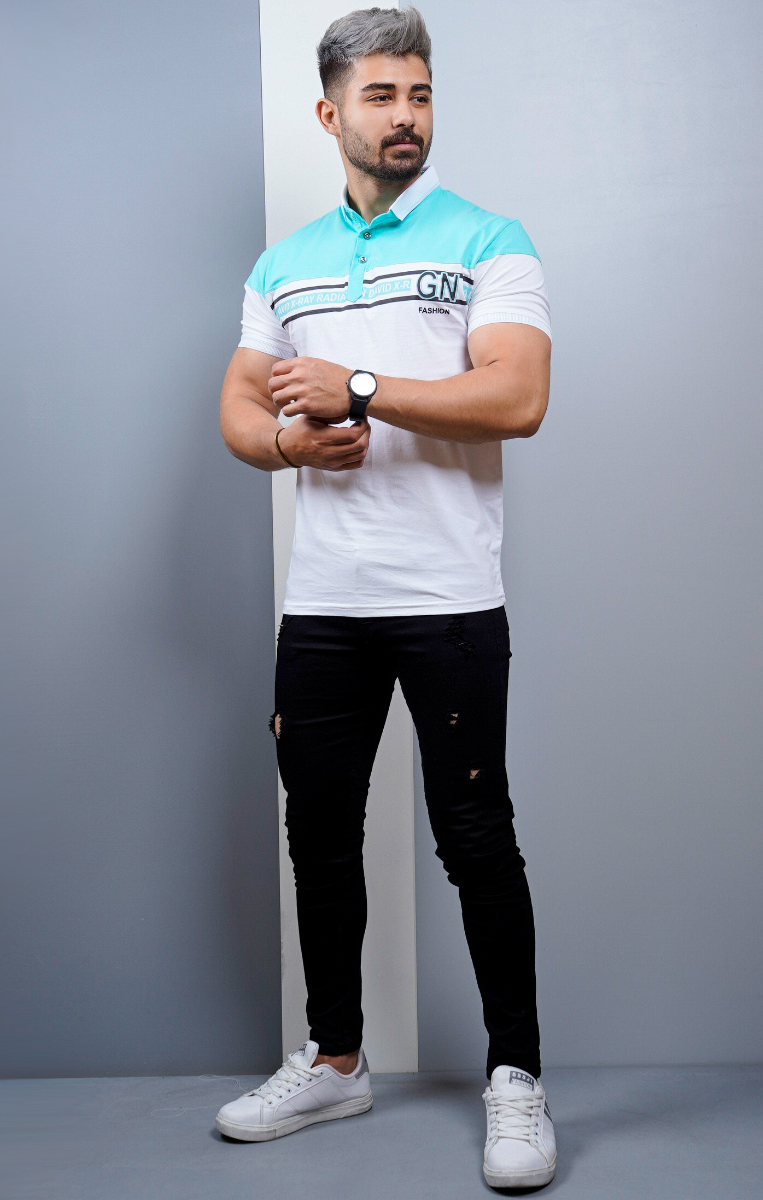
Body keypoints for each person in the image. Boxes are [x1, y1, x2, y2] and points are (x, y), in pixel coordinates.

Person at [213, 6, 555, 1189]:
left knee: (475, 837)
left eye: (419, 94)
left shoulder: (490, 239)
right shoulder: (284, 264)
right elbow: (240, 407)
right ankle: (337, 1062)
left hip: (449, 595)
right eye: (381, 96)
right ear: (330, 113)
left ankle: (517, 1077)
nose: (406, 116)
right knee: (318, 835)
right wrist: (289, 445)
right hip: (324, 602)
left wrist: (358, 385)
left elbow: (517, 398)